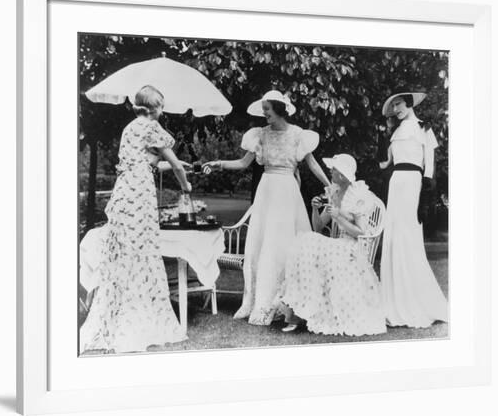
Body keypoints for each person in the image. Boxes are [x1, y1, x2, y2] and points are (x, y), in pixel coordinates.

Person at [80, 85, 192, 354]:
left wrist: (173, 165)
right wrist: (185, 184)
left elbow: (148, 162)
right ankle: (140, 316)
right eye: (162, 107)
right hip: (140, 195)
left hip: (123, 193)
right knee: (143, 252)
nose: (162, 112)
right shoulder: (152, 127)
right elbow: (173, 164)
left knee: (125, 255)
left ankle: (121, 314)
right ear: (155, 108)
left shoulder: (129, 129)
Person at [203, 90, 331, 325]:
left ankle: (287, 303)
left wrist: (329, 185)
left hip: (287, 193)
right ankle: (260, 302)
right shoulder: (260, 135)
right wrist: (218, 163)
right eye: (264, 111)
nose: (265, 116)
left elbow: (312, 164)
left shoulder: (298, 135)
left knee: (283, 245)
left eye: (268, 111)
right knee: (264, 245)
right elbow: (243, 163)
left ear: (280, 111)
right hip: (267, 192)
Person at [278, 154, 386, 335]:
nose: (330, 172)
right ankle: (299, 311)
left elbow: (360, 232)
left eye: (333, 170)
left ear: (342, 175)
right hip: (336, 245)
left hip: (351, 246)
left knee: (312, 246)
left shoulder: (357, 195)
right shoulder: (334, 192)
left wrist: (338, 216)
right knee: (306, 241)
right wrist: (314, 209)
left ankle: (305, 313)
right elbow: (318, 227)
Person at [379, 91, 448, 328]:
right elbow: (386, 162)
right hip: (396, 183)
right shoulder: (395, 132)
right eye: (393, 106)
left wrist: (426, 193)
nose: (396, 109)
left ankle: (417, 300)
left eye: (399, 104)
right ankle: (393, 301)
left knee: (408, 236)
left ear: (408, 103)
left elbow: (429, 162)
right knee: (395, 235)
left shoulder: (423, 128)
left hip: (412, 183)